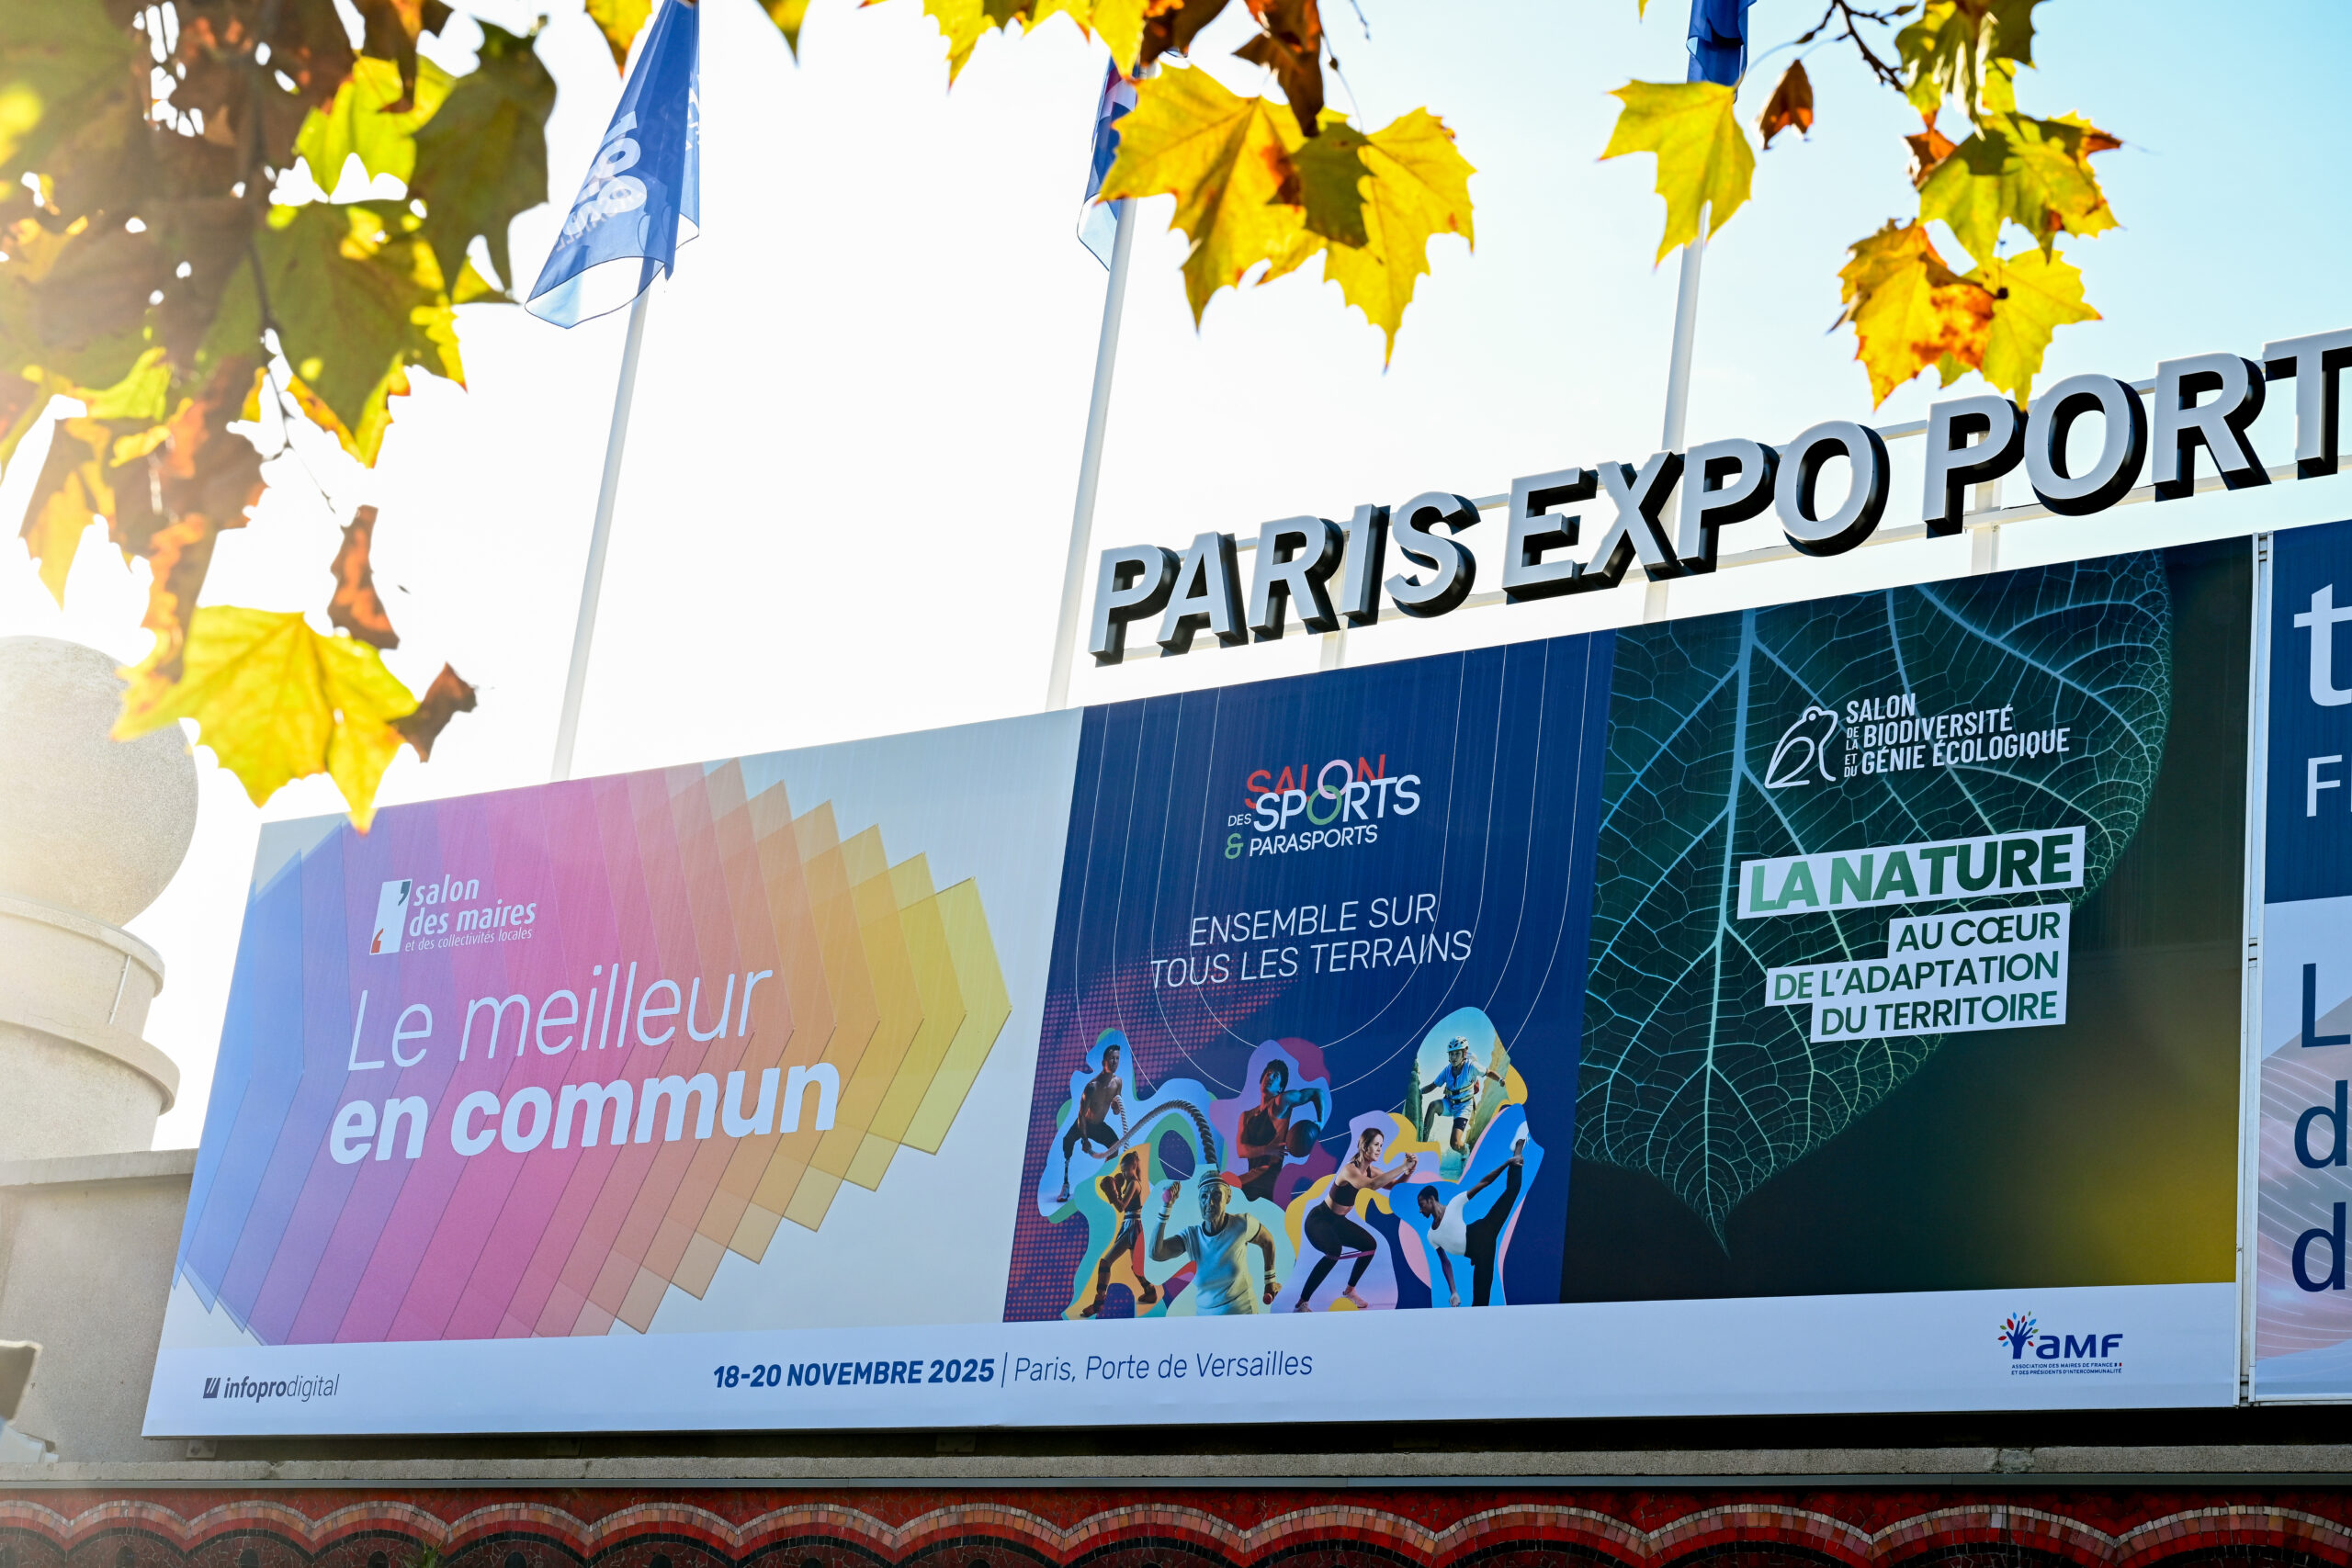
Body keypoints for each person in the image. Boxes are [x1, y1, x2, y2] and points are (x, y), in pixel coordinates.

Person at [1295, 1125, 1417, 1311]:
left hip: (1337, 1222)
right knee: (1334, 1250)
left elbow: (1394, 1186)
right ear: (1364, 1146)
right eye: (1376, 1144)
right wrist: (1402, 1166)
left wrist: (1409, 1172)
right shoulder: (1349, 1170)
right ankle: (1302, 1302)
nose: (1379, 1149)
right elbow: (1372, 1185)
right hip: (1319, 1220)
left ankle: (1349, 1291)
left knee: (1370, 1245)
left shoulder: (1372, 1171)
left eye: (1381, 1145)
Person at [1418, 1137, 1525, 1307]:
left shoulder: (1454, 1204)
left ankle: (1517, 1151)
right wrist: (1453, 1292)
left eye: (1421, 1205)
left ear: (1431, 1200)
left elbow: (1483, 1183)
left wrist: (1506, 1164)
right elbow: (1445, 1262)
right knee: (1480, 1305)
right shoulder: (1431, 1235)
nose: (1420, 1210)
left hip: (1483, 1231)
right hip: (1479, 1254)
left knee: (1512, 1191)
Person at [1151, 1173, 1278, 1314]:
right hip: (1206, 1320)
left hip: (1243, 1315)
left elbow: (1267, 1242)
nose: (1209, 1202)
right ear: (1199, 1200)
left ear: (1228, 1198)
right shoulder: (1191, 1236)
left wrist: (1270, 1280)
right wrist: (1166, 1207)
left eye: (1216, 1195)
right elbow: (1156, 1253)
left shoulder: (1243, 1224)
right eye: (1204, 1196)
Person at [1232, 1059, 1328, 1203]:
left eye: (1275, 1076)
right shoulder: (1246, 1116)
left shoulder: (1280, 1102)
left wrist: (1319, 1124)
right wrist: (1267, 1149)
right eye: (1268, 1073)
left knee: (1227, 1193)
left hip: (1269, 1180)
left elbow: (1317, 1093)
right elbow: (1241, 1150)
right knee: (1221, 1188)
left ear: (1280, 1088)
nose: (1269, 1077)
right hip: (1252, 1176)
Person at [1080, 1148, 1159, 1317]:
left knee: (1106, 1262)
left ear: (1133, 1167)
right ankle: (1150, 1291)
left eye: (1126, 1170)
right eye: (1122, 1170)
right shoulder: (1132, 1181)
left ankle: (1098, 1304)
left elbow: (1121, 1207)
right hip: (1130, 1225)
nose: (1123, 1173)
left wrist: (1112, 1193)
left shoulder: (1134, 1183)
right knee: (1135, 1268)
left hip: (1132, 1226)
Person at [1056, 1039, 1128, 1203]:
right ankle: (1065, 1185)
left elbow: (1117, 1110)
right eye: (1112, 1058)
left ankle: (1107, 1184)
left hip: (1099, 1126)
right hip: (1085, 1123)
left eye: (1117, 1058)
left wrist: (1117, 1107)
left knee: (1115, 1146)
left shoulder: (1118, 1083)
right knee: (1067, 1140)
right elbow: (1081, 1115)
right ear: (1104, 1062)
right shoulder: (1092, 1087)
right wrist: (1084, 1139)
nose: (1115, 1062)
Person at [1419, 1035, 1504, 1154]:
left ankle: (1466, 1151)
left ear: (1464, 1053)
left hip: (1463, 1107)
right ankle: (1422, 1146)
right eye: (1451, 1054)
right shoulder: (1447, 1070)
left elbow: (1489, 1072)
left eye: (1457, 1054)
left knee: (1455, 1144)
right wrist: (1419, 1092)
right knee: (1433, 1105)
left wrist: (1500, 1080)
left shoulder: (1471, 1067)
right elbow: (1432, 1086)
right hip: (1449, 1103)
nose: (1453, 1057)